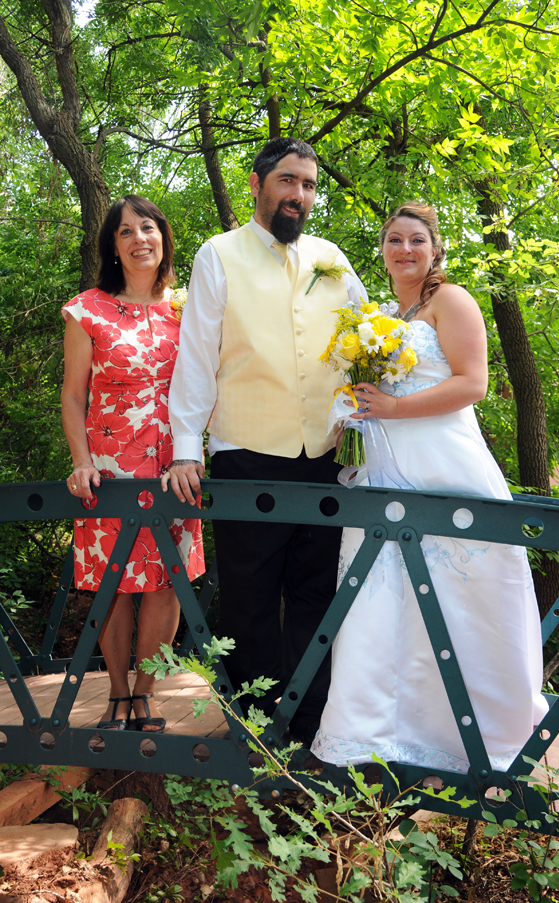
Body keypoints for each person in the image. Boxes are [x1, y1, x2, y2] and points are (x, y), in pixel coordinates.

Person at [311, 202, 548, 772]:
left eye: (417, 240)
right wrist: (360, 410)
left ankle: (479, 736)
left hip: (446, 466)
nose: (405, 250)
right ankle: (375, 734)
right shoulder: (387, 312)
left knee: (464, 600)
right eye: (395, 240)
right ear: (384, 250)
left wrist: (393, 406)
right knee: (380, 595)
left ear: (435, 248)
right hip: (387, 470)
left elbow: (474, 384)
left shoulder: (452, 300)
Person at [162, 137, 366, 746]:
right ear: (256, 184)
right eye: (287, 181)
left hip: (325, 458)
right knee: (249, 600)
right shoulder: (217, 255)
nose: (298, 195)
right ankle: (252, 729)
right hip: (245, 453)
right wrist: (185, 447)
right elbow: (196, 355)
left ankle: (308, 727)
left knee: (316, 596)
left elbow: (367, 343)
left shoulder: (334, 258)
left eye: (307, 185)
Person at [61, 195, 205, 732]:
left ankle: (145, 695)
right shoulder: (88, 309)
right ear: (113, 247)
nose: (139, 238)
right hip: (108, 467)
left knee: (166, 581)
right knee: (112, 582)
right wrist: (81, 462)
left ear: (163, 238)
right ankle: (117, 694)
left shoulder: (189, 309)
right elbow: (73, 395)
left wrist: (193, 450)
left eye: (148, 228)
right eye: (126, 232)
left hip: (177, 465)